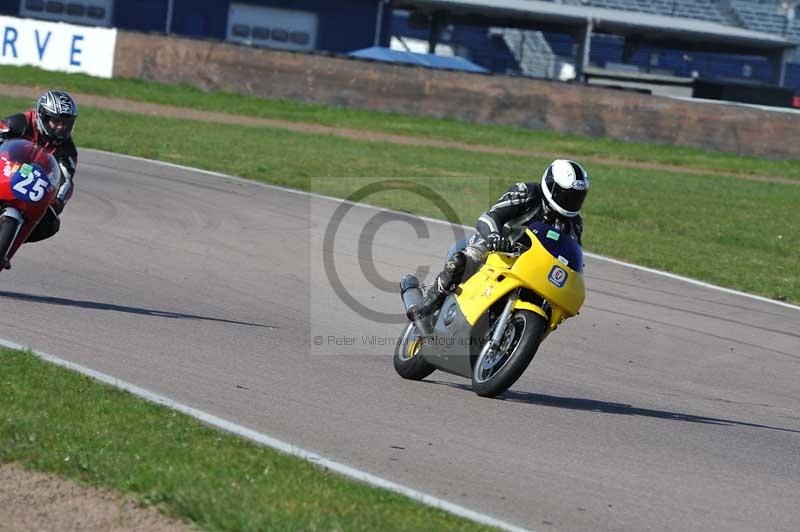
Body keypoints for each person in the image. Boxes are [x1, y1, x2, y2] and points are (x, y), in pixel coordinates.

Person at [412, 159, 589, 320]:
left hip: (533, 266)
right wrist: (494, 237)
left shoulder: (574, 223)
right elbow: (490, 217)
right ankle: (431, 302)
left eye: (575, 198)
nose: (570, 202)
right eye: (565, 195)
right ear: (551, 186)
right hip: (496, 248)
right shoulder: (526, 193)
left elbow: (573, 255)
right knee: (465, 260)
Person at [0, 90, 78, 261]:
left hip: (30, 189)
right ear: (42, 116)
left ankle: (9, 244)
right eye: (56, 122)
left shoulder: (67, 151)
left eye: (66, 123)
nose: (60, 127)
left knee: (50, 224)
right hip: (4, 172)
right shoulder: (19, 122)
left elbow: (66, 179)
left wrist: (58, 201)